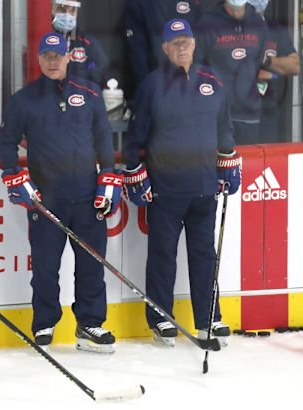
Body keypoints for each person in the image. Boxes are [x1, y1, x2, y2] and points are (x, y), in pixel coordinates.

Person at [0, 32, 122, 354]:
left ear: (69, 57)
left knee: (92, 264)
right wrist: (13, 175)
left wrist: (108, 175)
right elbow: (7, 140)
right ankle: (44, 324)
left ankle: (90, 323)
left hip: (86, 196)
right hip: (46, 200)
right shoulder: (24, 99)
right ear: (39, 59)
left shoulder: (90, 93)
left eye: (58, 55)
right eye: (47, 56)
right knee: (45, 265)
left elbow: (103, 139)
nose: (53, 61)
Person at [122, 19, 241, 347]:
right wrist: (135, 174)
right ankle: (160, 318)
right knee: (162, 255)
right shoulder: (152, 85)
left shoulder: (212, 81)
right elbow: (134, 140)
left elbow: (225, 129)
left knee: (205, 255)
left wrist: (228, 161)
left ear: (194, 43)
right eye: (175, 43)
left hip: (204, 189)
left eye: (186, 40)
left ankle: (208, 318)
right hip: (166, 190)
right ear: (165, 48)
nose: (182, 46)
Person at [195, 0, 268, 145]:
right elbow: (196, 69)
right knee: (220, 165)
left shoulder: (258, 22)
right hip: (216, 114)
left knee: (249, 166)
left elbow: (259, 62)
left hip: (249, 113)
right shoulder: (206, 24)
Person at [249, 0, 300, 143]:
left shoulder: (276, 30)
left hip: (269, 113)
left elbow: (295, 66)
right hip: (239, 116)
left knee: (268, 162)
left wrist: (266, 61)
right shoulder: (232, 30)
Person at [124, 0, 202, 90]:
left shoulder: (193, 4)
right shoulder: (139, 4)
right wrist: (150, 90)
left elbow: (199, 48)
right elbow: (137, 55)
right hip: (157, 87)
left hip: (191, 87)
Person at [51, 0, 109, 87]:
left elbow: (99, 66)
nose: (67, 15)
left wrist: (85, 72)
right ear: (52, 10)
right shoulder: (44, 39)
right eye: (62, 10)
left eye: (71, 11)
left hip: (80, 95)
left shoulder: (86, 42)